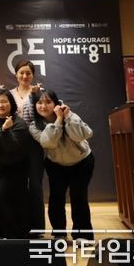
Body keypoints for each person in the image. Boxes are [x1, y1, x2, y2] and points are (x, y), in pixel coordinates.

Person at [30, 90, 94, 240]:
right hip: (56, 164)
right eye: (39, 103)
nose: (43, 106)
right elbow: (48, 143)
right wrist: (58, 121)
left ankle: (83, 235)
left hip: (82, 162)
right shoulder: (34, 125)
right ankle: (59, 233)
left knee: (79, 198)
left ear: (56, 103)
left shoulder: (70, 115)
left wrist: (67, 117)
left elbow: (84, 135)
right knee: (56, 199)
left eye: (48, 102)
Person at [0, 89, 31, 239]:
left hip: (16, 168)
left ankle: (12, 234)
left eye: (4, 102)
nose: (0, 105)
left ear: (11, 104)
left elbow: (11, 147)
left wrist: (5, 130)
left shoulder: (19, 123)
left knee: (1, 196)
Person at [10, 59, 45, 236]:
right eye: (21, 73)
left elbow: (43, 116)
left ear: (32, 75)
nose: (24, 76)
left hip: (34, 143)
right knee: (17, 184)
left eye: (28, 73)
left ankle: (37, 227)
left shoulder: (39, 93)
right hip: (15, 143)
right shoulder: (9, 94)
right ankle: (21, 225)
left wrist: (35, 97)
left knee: (35, 185)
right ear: (16, 74)